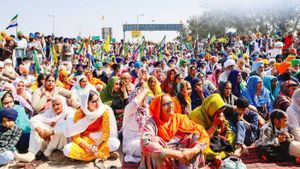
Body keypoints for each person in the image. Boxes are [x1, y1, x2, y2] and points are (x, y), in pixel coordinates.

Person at [140, 94, 209, 168]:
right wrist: (176, 154)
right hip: (164, 159)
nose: (170, 106)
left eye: (171, 102)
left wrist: (193, 150)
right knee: (154, 141)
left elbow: (202, 133)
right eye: (165, 104)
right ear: (158, 108)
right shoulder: (152, 122)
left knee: (196, 136)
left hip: (182, 158)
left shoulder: (179, 119)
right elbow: (145, 143)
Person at [63, 90, 120, 161]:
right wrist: (88, 147)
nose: (97, 103)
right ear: (86, 104)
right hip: (86, 141)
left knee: (115, 143)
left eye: (97, 100)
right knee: (66, 149)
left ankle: (87, 157)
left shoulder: (103, 111)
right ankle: (104, 154)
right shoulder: (79, 114)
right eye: (93, 101)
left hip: (100, 140)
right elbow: (76, 137)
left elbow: (106, 132)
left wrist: (97, 144)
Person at [189, 93, 235, 164]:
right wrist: (214, 124)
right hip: (201, 139)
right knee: (200, 148)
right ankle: (214, 156)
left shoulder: (218, 112)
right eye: (218, 112)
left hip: (214, 138)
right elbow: (202, 138)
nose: (220, 114)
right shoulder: (197, 116)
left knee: (232, 135)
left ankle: (218, 155)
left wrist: (221, 123)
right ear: (211, 109)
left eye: (222, 112)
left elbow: (222, 132)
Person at [28, 96, 73, 160]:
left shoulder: (69, 111)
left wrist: (50, 132)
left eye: (58, 104)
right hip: (50, 139)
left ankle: (47, 151)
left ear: (63, 103)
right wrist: (40, 130)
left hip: (64, 141)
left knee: (61, 124)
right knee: (35, 127)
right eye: (53, 105)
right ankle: (32, 153)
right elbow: (33, 119)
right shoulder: (51, 111)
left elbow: (68, 126)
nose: (55, 107)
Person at [122, 83, 150, 163]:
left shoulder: (147, 109)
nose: (143, 98)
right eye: (141, 97)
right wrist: (144, 91)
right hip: (131, 143)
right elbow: (135, 103)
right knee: (149, 148)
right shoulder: (129, 109)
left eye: (145, 97)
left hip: (146, 139)